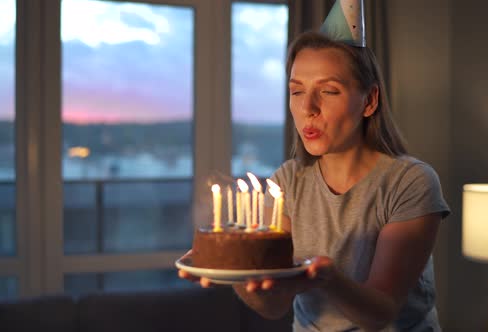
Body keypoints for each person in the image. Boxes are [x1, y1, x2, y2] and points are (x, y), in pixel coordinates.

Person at [180, 1, 450, 331]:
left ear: (369, 101)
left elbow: (381, 313)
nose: (308, 107)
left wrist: (326, 277)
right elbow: (273, 306)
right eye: (297, 91)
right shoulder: (287, 182)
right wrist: (237, 269)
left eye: (329, 91)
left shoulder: (410, 183)